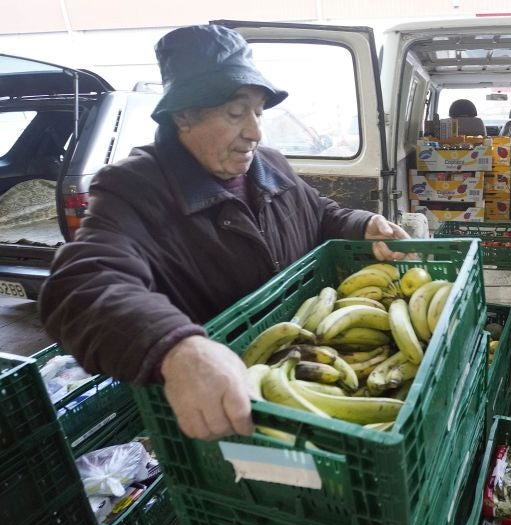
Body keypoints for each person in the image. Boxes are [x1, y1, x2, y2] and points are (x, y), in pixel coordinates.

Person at [38, 25, 409, 442]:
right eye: (236, 113)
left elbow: (319, 213)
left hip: (300, 364)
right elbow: (81, 286)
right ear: (184, 116)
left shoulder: (271, 165)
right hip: (219, 406)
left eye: (258, 112)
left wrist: (360, 224)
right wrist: (175, 347)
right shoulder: (133, 188)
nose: (255, 131)